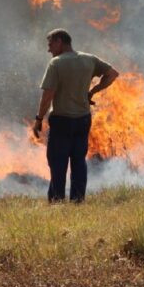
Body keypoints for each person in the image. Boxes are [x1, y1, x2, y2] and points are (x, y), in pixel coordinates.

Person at [33, 29, 118, 203]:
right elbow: (112, 74)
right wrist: (93, 91)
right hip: (83, 119)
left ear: (59, 41)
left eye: (50, 44)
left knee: (58, 162)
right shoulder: (89, 59)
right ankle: (78, 200)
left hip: (62, 120)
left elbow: (48, 95)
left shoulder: (56, 63)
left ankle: (57, 201)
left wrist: (39, 118)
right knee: (79, 160)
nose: (49, 49)